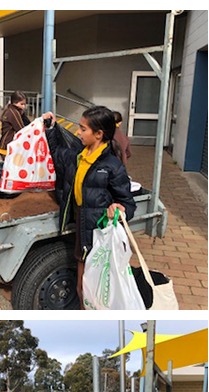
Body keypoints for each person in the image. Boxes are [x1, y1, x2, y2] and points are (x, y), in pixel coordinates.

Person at [42, 106, 136, 308]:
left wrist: (120, 210)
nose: (78, 132)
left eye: (83, 129)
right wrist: (50, 128)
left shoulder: (112, 166)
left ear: (99, 134)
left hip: (102, 238)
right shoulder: (77, 157)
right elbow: (56, 152)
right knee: (83, 289)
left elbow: (128, 202)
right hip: (83, 235)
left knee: (100, 292)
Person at [0, 91, 30, 160]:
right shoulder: (14, 113)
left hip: (5, 145)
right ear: (15, 103)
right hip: (8, 146)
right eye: (22, 104)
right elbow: (21, 129)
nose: (24, 106)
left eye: (24, 104)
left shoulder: (10, 110)